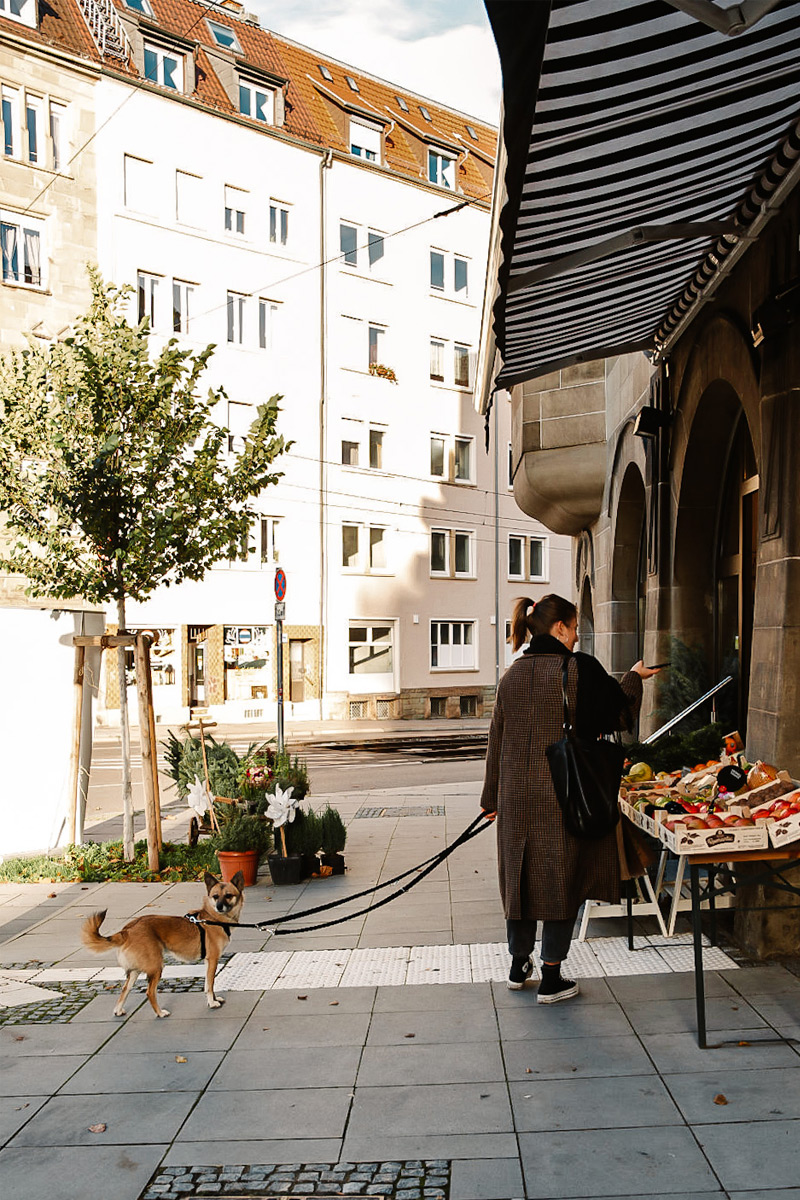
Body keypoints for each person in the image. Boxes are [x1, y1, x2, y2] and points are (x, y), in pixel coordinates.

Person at [479, 594, 660, 1003]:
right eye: (575, 627)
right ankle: (551, 976)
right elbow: (619, 712)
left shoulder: (510, 676)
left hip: (515, 797)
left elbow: (497, 742)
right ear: (559, 627)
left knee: (520, 879)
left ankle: (517, 963)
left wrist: (490, 799)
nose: (578, 636)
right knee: (562, 880)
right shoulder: (576, 669)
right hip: (562, 794)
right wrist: (634, 677)